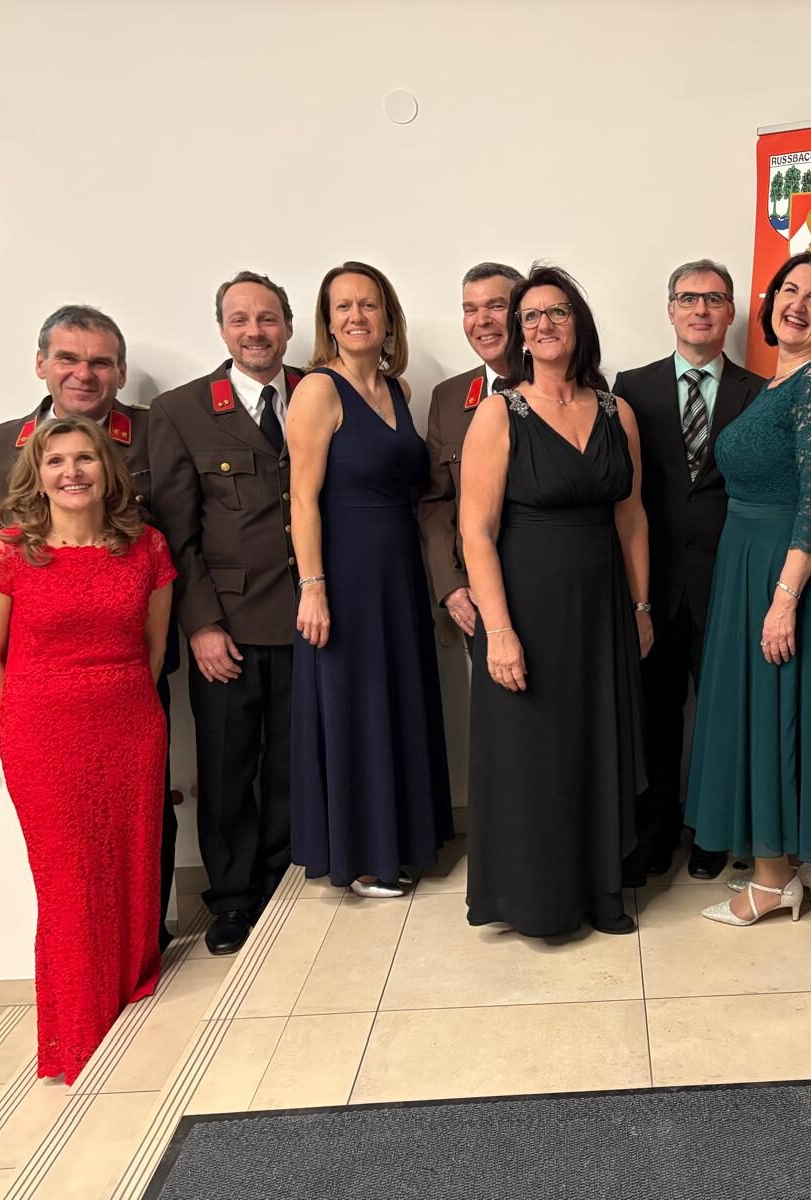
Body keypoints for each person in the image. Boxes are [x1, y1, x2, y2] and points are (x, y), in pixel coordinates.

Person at [0, 304, 178, 950]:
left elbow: (176, 547)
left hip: (128, 686)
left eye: (100, 362)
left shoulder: (156, 433)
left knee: (140, 830)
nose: (84, 373)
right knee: (66, 852)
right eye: (68, 359)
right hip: (42, 703)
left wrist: (134, 685)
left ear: (120, 372)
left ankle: (142, 943)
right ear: (41, 364)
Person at [0, 416, 176, 1083]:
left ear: (107, 470)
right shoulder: (7, 552)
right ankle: (76, 1022)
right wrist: (21, 723)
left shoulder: (147, 548)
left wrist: (123, 704)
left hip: (129, 725)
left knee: (130, 864)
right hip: (44, 733)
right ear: (36, 476)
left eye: (85, 458)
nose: (71, 472)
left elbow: (153, 649)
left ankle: (125, 993)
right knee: (69, 879)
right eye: (55, 461)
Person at [460, 264, 651, 936]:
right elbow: (476, 532)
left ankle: (601, 891)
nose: (544, 325)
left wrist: (641, 608)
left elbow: (632, 518)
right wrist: (499, 631)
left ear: (578, 324)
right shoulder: (498, 412)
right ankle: (539, 902)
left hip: (602, 611)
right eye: (531, 316)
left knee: (596, 746)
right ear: (519, 333)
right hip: (527, 611)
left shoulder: (616, 411)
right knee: (535, 756)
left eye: (558, 312)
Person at [685, 252, 811, 926]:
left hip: (781, 570)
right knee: (755, 712)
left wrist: (784, 599)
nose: (798, 304)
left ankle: (771, 880)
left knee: (772, 713)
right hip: (745, 562)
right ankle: (783, 864)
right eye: (790, 289)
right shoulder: (777, 382)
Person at [149, 271, 304, 955]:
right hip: (229, 626)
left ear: (288, 326)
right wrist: (202, 625)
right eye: (240, 320)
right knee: (227, 768)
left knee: (295, 765)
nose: (254, 332)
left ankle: (283, 885)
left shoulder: (318, 392)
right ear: (221, 330)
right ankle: (234, 900)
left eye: (267, 318)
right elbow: (174, 533)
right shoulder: (181, 410)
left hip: (309, 618)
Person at [286, 261, 452, 898]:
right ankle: (360, 857)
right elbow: (302, 499)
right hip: (345, 575)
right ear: (328, 322)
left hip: (398, 569)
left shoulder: (399, 389)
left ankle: (401, 839)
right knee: (354, 707)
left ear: (388, 317)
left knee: (398, 698)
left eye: (369, 304)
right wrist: (313, 587)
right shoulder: (317, 391)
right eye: (344, 306)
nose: (357, 316)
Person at [612, 258, 767, 884]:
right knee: (653, 714)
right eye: (688, 298)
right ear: (670, 310)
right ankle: (653, 834)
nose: (700, 309)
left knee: (722, 715)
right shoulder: (631, 387)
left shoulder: (759, 392)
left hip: (728, 580)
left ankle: (712, 832)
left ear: (730, 313)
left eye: (714, 298)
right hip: (650, 582)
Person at [418, 261, 524, 637]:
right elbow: (436, 501)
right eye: (470, 309)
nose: (482, 320)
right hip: (479, 596)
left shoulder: (570, 389)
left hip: (557, 584)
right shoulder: (448, 398)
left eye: (496, 306)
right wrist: (450, 583)